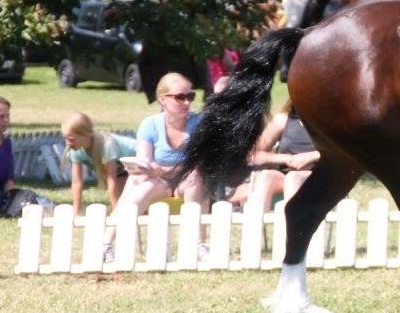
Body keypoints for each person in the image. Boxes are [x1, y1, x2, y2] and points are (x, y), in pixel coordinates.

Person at [103, 73, 207, 261]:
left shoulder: (199, 123)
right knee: (137, 182)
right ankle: (109, 245)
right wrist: (152, 170)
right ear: (162, 100)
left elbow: (198, 164)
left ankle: (199, 244)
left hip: (188, 180)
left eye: (190, 96)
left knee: (195, 179)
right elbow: (144, 163)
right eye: (179, 97)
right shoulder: (150, 125)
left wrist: (160, 169)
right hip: (157, 181)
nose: (186, 102)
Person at [224, 100, 319, 212]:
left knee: (293, 178)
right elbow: (253, 154)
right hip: (283, 176)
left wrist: (312, 156)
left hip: (317, 176)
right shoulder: (283, 120)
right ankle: (255, 225)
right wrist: (286, 158)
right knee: (266, 176)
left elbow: (343, 151)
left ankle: (291, 227)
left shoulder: (331, 121)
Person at [60, 112, 137, 211]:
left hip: (142, 160)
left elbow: (111, 180)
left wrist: (115, 212)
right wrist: (76, 211)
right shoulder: (76, 149)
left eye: (71, 139)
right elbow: (77, 182)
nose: (68, 143)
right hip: (123, 171)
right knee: (128, 206)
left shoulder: (107, 145)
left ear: (86, 135)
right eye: (65, 139)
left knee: (136, 202)